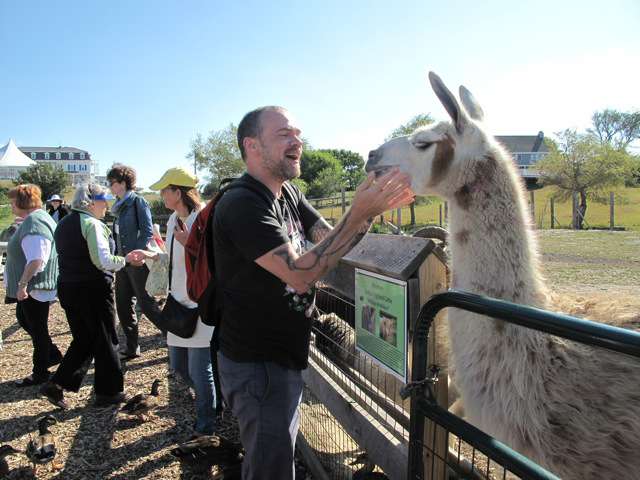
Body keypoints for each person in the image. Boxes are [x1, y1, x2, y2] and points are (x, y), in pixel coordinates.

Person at [212, 106, 413, 479]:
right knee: (271, 471)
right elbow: (299, 275)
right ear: (252, 145)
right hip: (258, 365)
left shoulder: (287, 193)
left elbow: (329, 242)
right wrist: (357, 214)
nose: (298, 141)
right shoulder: (242, 203)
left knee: (270, 463)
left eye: (298, 133)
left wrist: (368, 213)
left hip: (281, 358)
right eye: (284, 134)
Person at [129, 167, 217, 439]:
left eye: (164, 190)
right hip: (177, 301)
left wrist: (189, 241)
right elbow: (171, 260)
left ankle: (205, 425)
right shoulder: (172, 220)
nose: (160, 194)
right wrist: (150, 255)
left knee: (200, 369)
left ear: (177, 193)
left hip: (199, 304)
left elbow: (212, 262)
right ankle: (213, 400)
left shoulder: (204, 219)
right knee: (178, 365)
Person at [40, 184, 130, 409]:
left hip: (68, 287)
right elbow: (103, 261)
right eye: (103, 201)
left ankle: (57, 384)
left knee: (85, 339)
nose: (106, 205)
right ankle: (108, 393)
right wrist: (127, 260)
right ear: (90, 203)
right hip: (92, 287)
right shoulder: (92, 224)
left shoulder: (63, 223)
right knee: (106, 339)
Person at [5, 184, 62, 387]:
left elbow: (37, 259)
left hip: (35, 286)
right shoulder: (35, 219)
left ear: (23, 202)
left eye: (13, 202)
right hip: (34, 285)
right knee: (26, 320)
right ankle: (52, 354)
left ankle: (40, 371)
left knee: (37, 328)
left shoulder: (35, 222)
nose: (11, 207)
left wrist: (22, 284)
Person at [106, 164, 163, 360]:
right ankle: (131, 348)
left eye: (112, 183)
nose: (109, 187)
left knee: (147, 305)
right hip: (122, 262)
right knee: (123, 306)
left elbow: (147, 231)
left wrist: (136, 254)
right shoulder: (119, 206)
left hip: (136, 262)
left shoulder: (138, 202)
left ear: (122, 183)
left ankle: (175, 339)